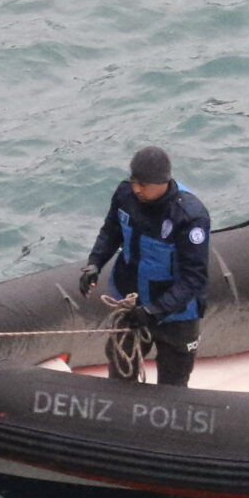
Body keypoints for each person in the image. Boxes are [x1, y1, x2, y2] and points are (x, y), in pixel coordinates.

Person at [78, 146, 210, 387]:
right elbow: (111, 231)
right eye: (134, 181)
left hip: (176, 313)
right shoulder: (125, 195)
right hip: (131, 302)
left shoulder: (189, 216)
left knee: (174, 383)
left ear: (163, 182)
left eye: (143, 184)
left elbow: (194, 278)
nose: (136, 188)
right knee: (120, 370)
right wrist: (95, 263)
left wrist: (154, 311)